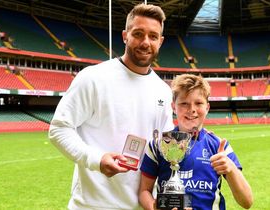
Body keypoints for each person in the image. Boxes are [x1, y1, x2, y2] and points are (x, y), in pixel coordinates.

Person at [49, 3, 173, 210]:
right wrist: (96, 159)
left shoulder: (162, 90)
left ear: (160, 41)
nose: (145, 42)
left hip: (141, 205)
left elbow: (164, 147)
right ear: (125, 35)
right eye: (138, 34)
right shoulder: (93, 77)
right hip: (93, 205)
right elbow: (58, 129)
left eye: (153, 36)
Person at [138, 74, 253, 210]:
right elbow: (144, 192)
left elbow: (247, 202)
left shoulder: (219, 147)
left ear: (207, 108)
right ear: (173, 107)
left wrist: (231, 168)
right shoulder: (158, 145)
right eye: (184, 103)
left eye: (198, 103)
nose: (192, 109)